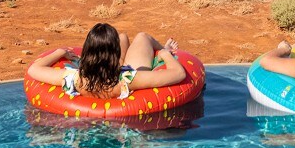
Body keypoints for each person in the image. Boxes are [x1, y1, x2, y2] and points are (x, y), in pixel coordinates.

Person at [26, 22, 186, 99]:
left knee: (122, 37)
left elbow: (33, 70)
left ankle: (119, 43)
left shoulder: (75, 78)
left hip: (102, 76)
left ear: (87, 51)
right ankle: (162, 47)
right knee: (142, 36)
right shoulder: (130, 79)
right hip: (119, 77)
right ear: (114, 54)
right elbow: (178, 73)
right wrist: (165, 54)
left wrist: (60, 52)